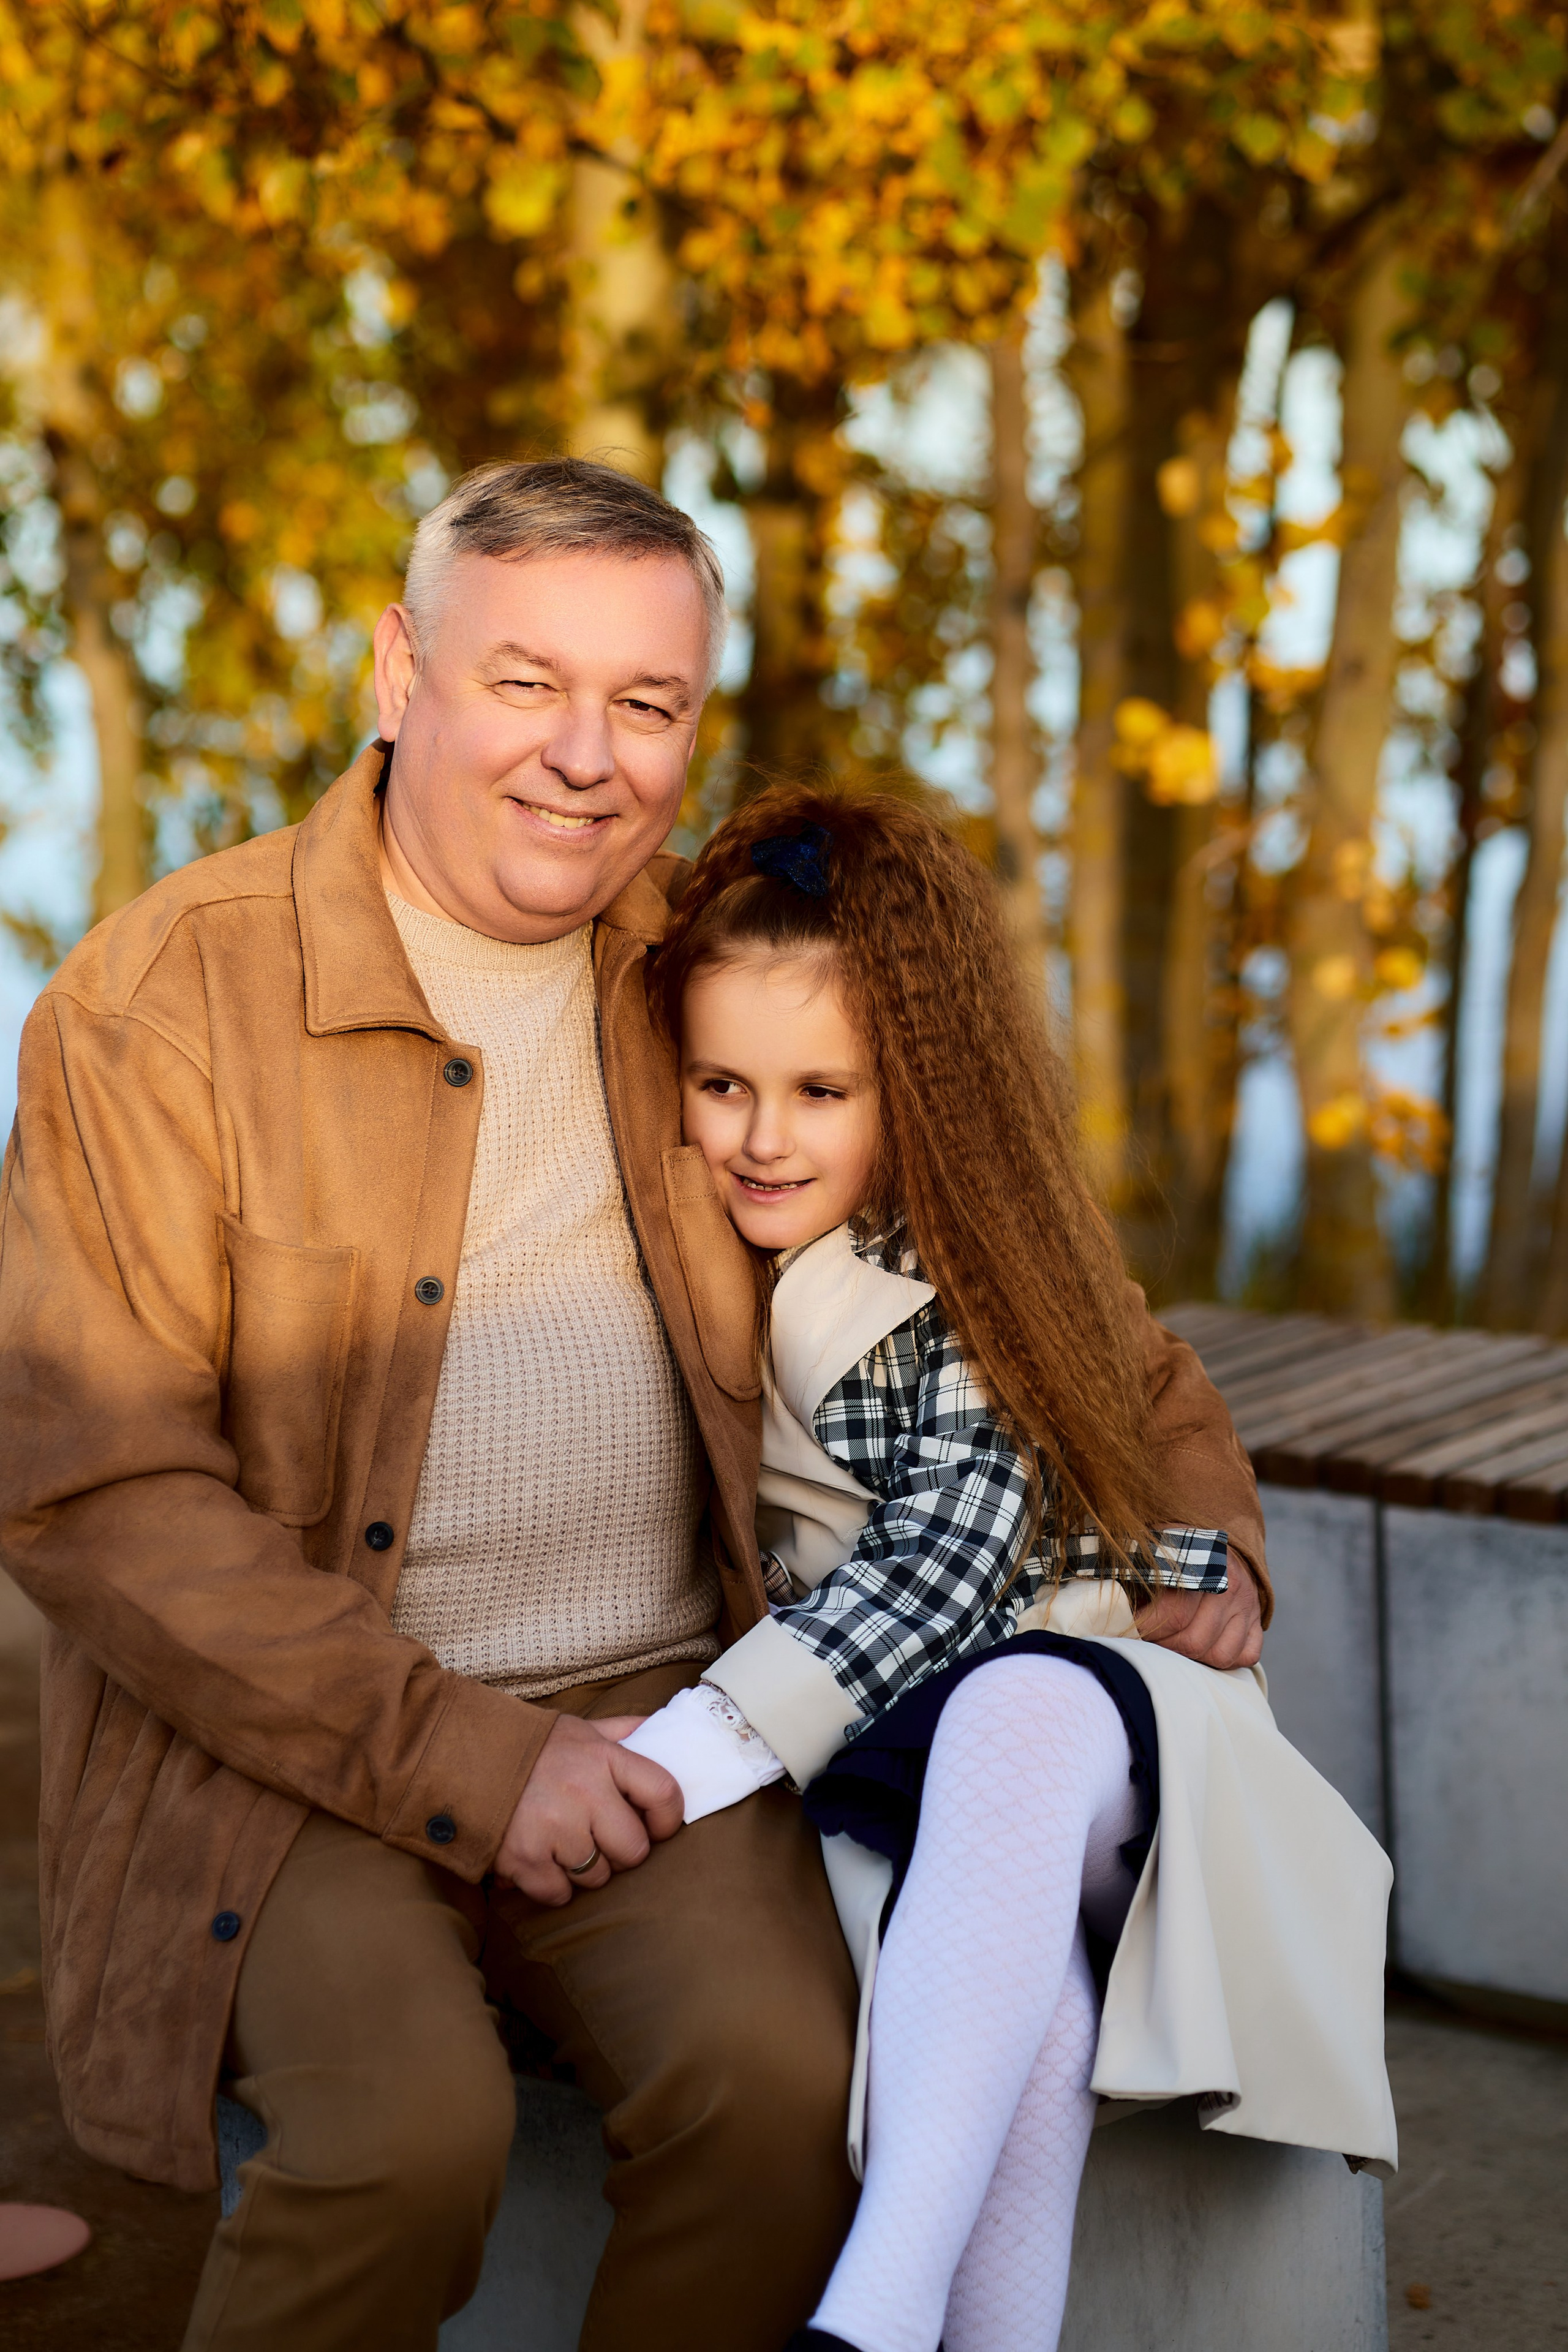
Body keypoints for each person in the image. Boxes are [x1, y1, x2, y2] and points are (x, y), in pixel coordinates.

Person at [0, 458, 1267, 2352]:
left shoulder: (726, 974)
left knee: (785, 2109)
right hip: (301, 1754)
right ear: (397, 672)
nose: (584, 755)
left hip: (677, 1714)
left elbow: (1056, 1289)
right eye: (526, 682)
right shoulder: (164, 1003)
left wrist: (1211, 1528)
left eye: (647, 704)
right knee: (403, 2142)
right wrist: (475, 1759)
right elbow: (95, 1491)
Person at [622, 785, 1396, 2352]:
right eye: (722, 1084)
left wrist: (683, 1753)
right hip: (922, 1776)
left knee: (1013, 1713)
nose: (765, 1137)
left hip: (1106, 1724)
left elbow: (947, 1565)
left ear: (912, 1091)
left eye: (822, 1092)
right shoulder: (726, 1245)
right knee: (1020, 2004)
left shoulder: (957, 1267)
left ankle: (867, 2322)